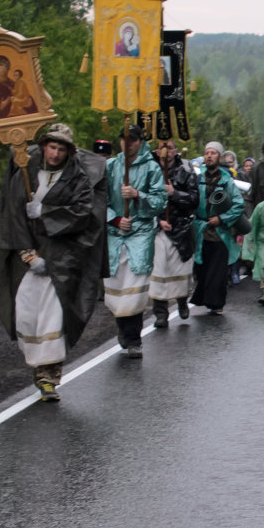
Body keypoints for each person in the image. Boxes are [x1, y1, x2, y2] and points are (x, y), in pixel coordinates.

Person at [0, 124, 107, 401]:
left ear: (69, 151)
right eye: (52, 147)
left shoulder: (78, 176)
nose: (55, 153)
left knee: (55, 315)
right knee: (29, 314)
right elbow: (12, 212)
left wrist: (46, 211)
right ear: (44, 146)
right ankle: (37, 366)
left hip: (63, 254)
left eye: (61, 148)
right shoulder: (24, 169)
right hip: (29, 252)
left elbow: (83, 212)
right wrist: (27, 253)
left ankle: (49, 376)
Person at [104, 125, 166, 357]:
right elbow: (100, 200)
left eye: (132, 140)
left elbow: (160, 202)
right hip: (115, 235)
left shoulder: (152, 168)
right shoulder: (111, 166)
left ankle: (134, 339)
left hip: (140, 233)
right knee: (118, 288)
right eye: (123, 139)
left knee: (135, 289)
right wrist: (115, 219)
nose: (127, 144)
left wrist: (138, 195)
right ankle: (123, 329)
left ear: (140, 142)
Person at [148, 139, 198, 328]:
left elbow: (194, 199)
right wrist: (157, 220)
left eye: (169, 148)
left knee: (180, 271)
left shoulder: (185, 170)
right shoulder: (149, 170)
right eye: (162, 147)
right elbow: (143, 199)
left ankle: (181, 300)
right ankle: (160, 312)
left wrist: (174, 193)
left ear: (175, 150)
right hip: (157, 229)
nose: (165, 151)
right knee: (158, 271)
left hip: (181, 228)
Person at [192, 141, 244, 315]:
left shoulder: (227, 180)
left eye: (213, 153)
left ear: (219, 157)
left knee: (218, 272)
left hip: (220, 234)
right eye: (207, 153)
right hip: (200, 232)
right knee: (202, 270)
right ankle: (205, 299)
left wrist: (221, 219)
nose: (209, 156)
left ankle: (216, 303)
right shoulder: (198, 179)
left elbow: (238, 205)